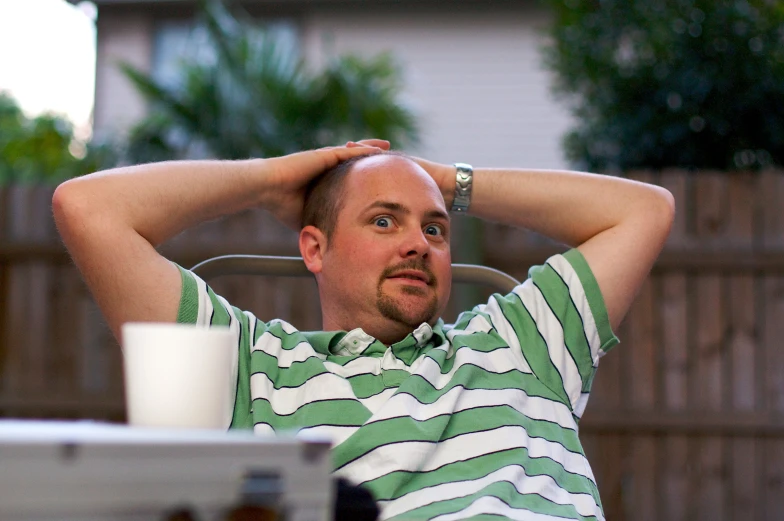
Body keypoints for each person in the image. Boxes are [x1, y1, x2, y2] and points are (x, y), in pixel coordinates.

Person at [53, 139, 674, 521]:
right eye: (384, 220)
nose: (417, 243)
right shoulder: (249, 368)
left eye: (435, 229)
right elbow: (88, 209)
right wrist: (274, 180)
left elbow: (644, 210)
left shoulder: (520, 341)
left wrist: (438, 179)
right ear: (314, 248)